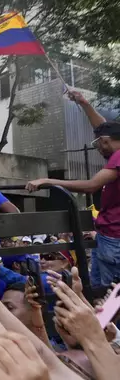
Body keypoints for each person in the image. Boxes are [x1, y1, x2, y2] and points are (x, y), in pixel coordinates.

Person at [27, 121, 120, 286]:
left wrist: (48, 180)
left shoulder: (118, 156)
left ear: (105, 140)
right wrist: (83, 102)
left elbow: (91, 185)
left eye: (98, 143)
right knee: (98, 289)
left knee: (112, 294)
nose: (98, 149)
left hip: (114, 235)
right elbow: (105, 125)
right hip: (107, 235)